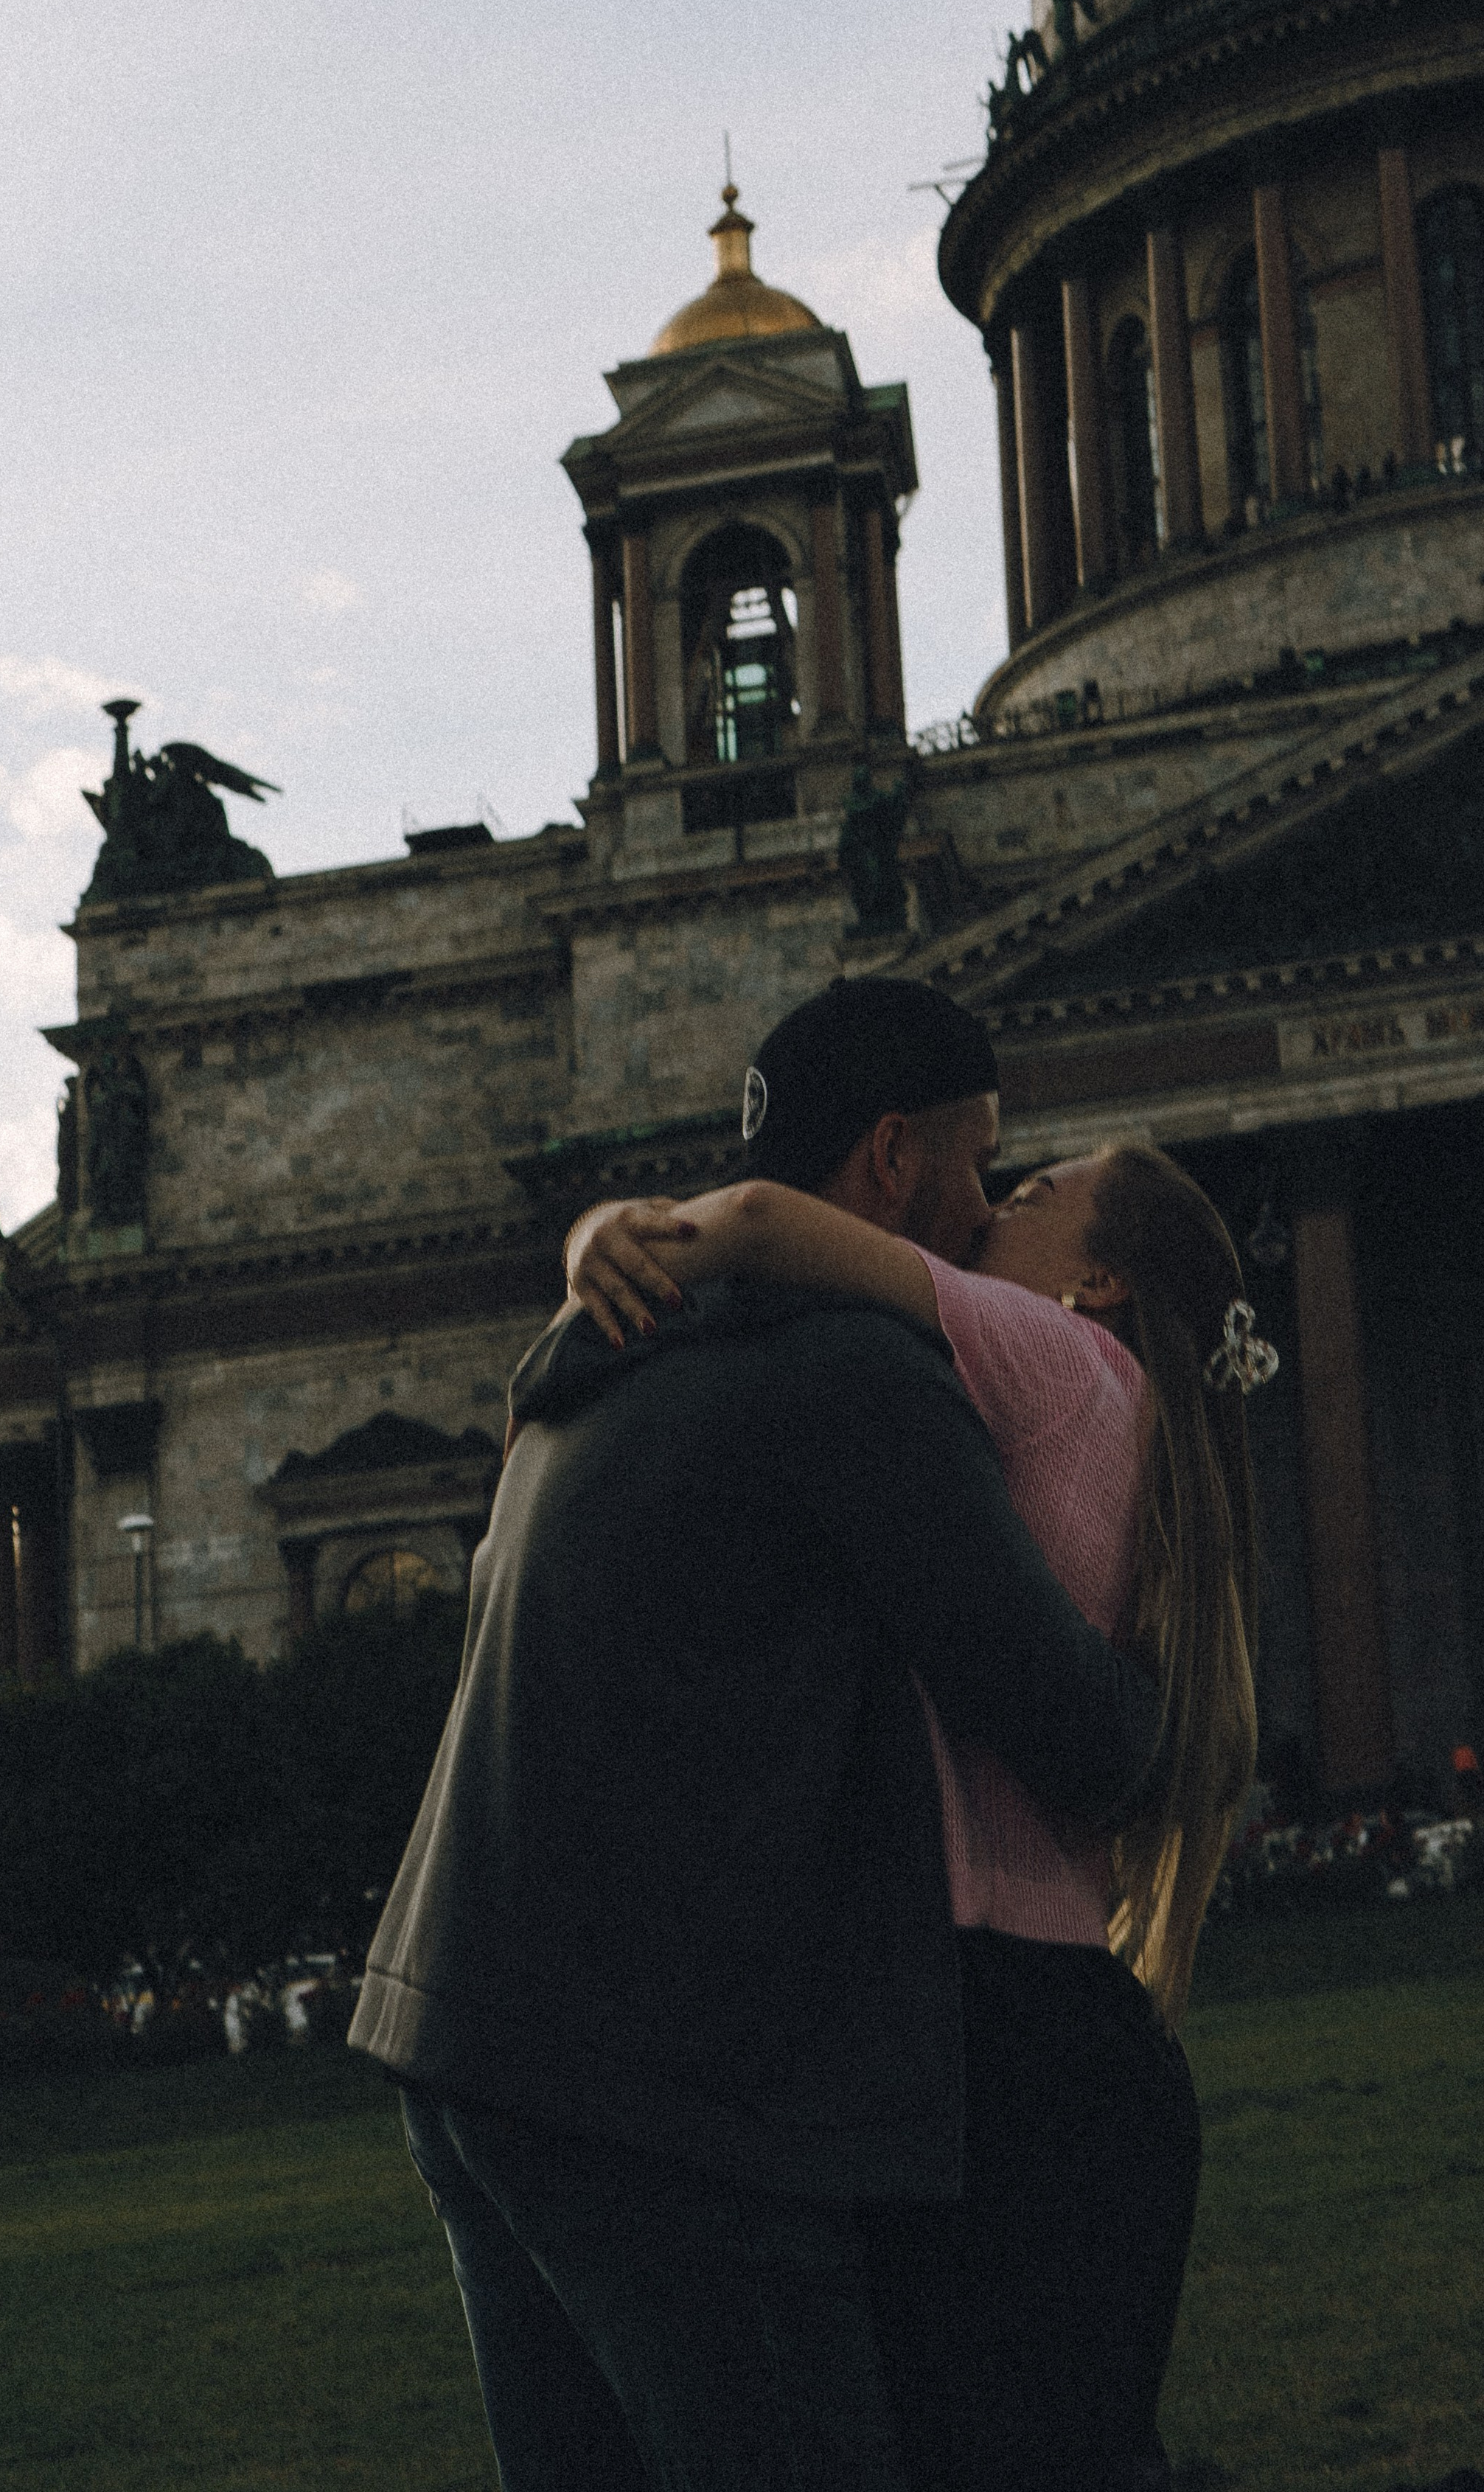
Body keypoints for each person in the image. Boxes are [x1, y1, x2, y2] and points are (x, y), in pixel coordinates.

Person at [349, 977, 1165, 2492]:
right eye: (977, 1165)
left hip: (456, 2027)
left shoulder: (608, 1343)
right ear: (888, 1158)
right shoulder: (853, 1372)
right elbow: (1068, 1727)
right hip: (661, 2086)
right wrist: (1182, 1697)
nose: (986, 1215)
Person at [569, 1138, 1261, 2491]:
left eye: (1039, 1194)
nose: (995, 1198)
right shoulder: (1115, 1405)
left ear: (1099, 1281)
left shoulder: (1051, 1363)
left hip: (1009, 2042)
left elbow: (767, 1219)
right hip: (1056, 2039)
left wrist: (604, 1234)